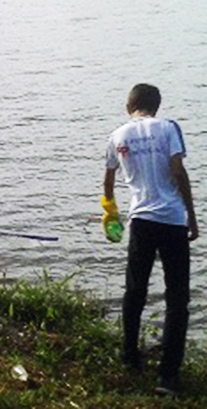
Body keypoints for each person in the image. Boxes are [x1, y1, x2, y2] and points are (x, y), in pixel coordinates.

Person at [102, 83, 198, 397]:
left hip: (140, 220)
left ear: (130, 105)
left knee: (135, 291)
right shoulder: (169, 128)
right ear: (156, 105)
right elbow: (178, 172)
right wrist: (192, 216)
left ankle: (130, 357)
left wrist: (110, 213)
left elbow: (109, 180)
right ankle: (167, 376)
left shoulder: (117, 136)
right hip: (171, 220)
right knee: (177, 299)